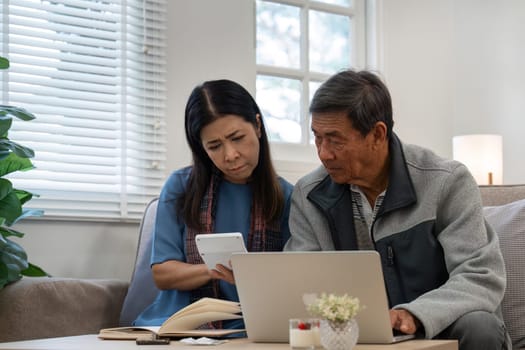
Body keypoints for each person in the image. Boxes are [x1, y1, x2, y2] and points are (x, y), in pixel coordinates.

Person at [284, 69, 511, 350]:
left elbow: (480, 277)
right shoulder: (308, 196)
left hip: (441, 326)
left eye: (336, 140)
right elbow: (300, 286)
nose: (324, 153)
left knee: (480, 325)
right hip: (354, 334)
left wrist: (414, 314)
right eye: (317, 138)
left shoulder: (446, 182)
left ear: (378, 134)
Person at [134, 79, 293, 331]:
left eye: (237, 138)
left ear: (258, 126)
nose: (230, 155)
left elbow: (292, 279)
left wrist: (250, 275)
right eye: (215, 146)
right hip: (176, 326)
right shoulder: (180, 186)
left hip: (250, 327)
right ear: (202, 148)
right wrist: (216, 269)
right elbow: (163, 274)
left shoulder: (286, 196)